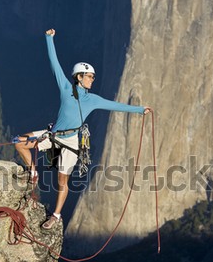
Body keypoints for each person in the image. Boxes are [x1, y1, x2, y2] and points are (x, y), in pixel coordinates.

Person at [15, 28, 151, 230]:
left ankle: (56, 215)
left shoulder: (93, 100)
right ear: (79, 77)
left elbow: (116, 105)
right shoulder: (65, 88)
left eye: (93, 77)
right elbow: (54, 63)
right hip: (53, 136)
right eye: (89, 76)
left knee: (63, 180)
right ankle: (33, 172)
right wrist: (49, 38)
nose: (92, 80)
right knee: (19, 142)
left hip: (70, 141)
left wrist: (140, 110)